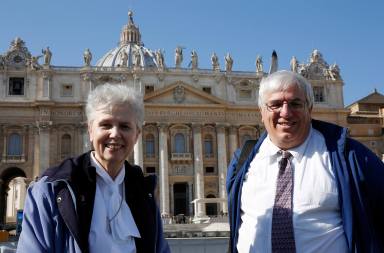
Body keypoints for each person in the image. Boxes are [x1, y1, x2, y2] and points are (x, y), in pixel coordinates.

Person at [227, 70, 384, 253]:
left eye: (295, 103)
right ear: (261, 112)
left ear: (309, 109)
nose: (285, 113)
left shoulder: (351, 156)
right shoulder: (242, 161)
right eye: (275, 104)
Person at [17, 84, 170, 253]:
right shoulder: (50, 190)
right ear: (90, 130)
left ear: (137, 135)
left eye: (125, 126)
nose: (115, 134)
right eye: (105, 125)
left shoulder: (145, 191)